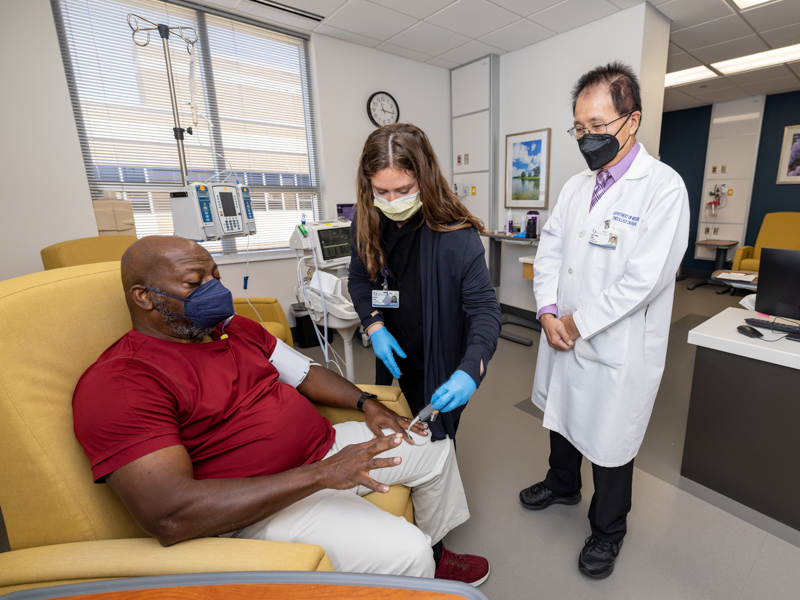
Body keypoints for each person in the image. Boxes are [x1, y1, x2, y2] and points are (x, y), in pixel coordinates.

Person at [72, 235, 490, 586]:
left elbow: (305, 372)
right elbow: (169, 515)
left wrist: (368, 404)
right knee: (405, 552)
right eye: (194, 283)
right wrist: (321, 475)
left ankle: (437, 551)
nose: (215, 291)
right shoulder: (123, 382)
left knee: (434, 444)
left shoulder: (233, 328)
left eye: (216, 277)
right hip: (263, 502)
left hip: (323, 451)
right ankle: (421, 565)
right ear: (144, 297)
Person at [518, 62, 689, 579]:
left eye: (597, 126)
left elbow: (645, 279)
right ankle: (563, 483)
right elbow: (549, 250)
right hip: (562, 331)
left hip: (617, 345)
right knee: (563, 415)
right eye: (579, 128)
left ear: (631, 121)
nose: (586, 138)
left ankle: (608, 530)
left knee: (612, 441)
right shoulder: (575, 188)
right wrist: (547, 310)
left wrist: (576, 323)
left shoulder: (663, 188)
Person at [348, 123, 501, 445]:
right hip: (393, 346)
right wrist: (375, 328)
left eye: (404, 191)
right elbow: (360, 279)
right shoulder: (367, 221)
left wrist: (471, 369)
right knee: (400, 428)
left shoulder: (456, 235)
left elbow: (484, 310)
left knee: (435, 438)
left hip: (441, 357)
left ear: (425, 178)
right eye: (381, 191)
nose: (392, 201)